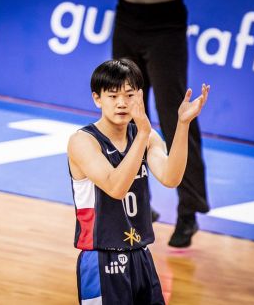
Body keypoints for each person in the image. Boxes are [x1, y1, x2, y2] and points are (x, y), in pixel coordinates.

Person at [67, 59, 209, 304]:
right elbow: (115, 187)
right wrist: (142, 134)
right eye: (112, 96)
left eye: (129, 94)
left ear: (140, 96)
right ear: (97, 99)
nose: (122, 103)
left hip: (141, 255)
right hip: (102, 259)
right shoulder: (83, 141)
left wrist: (183, 125)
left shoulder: (146, 135)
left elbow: (171, 177)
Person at [112, 0, 210, 248]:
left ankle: (188, 211)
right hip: (126, 16)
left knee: (177, 116)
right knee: (124, 112)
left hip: (165, 23)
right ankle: (136, 203)